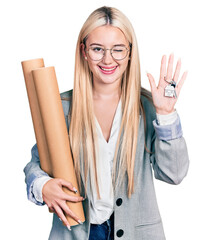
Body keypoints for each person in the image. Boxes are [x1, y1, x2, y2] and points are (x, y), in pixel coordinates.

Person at [23, 6, 189, 240]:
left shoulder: (148, 106)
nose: (108, 59)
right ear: (84, 51)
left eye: (118, 50)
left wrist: (166, 113)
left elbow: (174, 173)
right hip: (79, 232)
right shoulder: (61, 106)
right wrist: (42, 185)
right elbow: (35, 165)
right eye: (98, 49)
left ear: (130, 52)